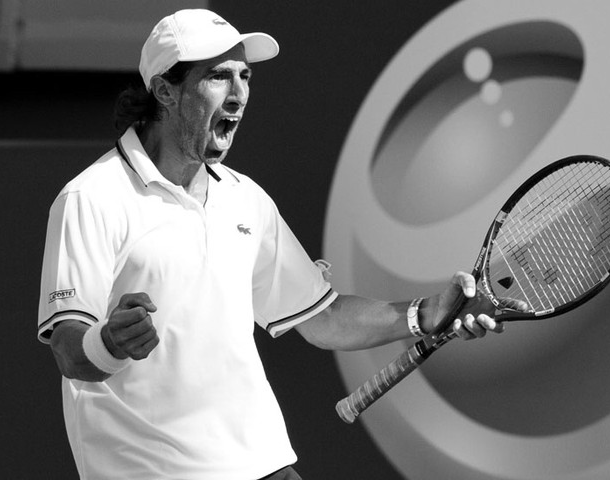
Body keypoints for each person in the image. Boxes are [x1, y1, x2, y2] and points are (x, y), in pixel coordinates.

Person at [37, 9, 521, 480]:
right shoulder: (91, 198)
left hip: (262, 465)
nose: (240, 94)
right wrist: (108, 344)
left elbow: (324, 319)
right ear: (165, 90)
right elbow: (68, 350)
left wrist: (426, 313)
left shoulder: (245, 199)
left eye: (245, 76)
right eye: (218, 77)